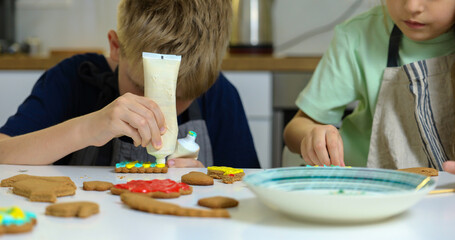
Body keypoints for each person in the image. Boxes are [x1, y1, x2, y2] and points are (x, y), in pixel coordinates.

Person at [0, 0, 260, 169]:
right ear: (116, 47)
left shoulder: (220, 96)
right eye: (141, 88)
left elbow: (247, 190)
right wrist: (87, 128)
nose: (158, 111)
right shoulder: (73, 79)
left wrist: (210, 182)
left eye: (183, 97)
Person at [284, 0, 455, 171]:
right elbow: (295, 128)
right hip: (364, 184)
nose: (412, 7)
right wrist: (314, 136)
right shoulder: (357, 34)